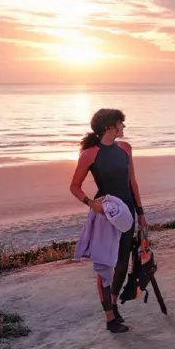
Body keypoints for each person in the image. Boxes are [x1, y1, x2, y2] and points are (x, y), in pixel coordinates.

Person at [70, 108, 144, 333]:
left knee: (123, 262)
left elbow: (132, 182)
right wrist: (92, 204)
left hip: (127, 212)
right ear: (109, 126)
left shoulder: (125, 148)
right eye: (121, 123)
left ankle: (113, 303)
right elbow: (74, 186)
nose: (123, 127)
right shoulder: (90, 154)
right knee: (105, 266)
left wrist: (141, 213)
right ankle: (110, 318)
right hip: (106, 214)